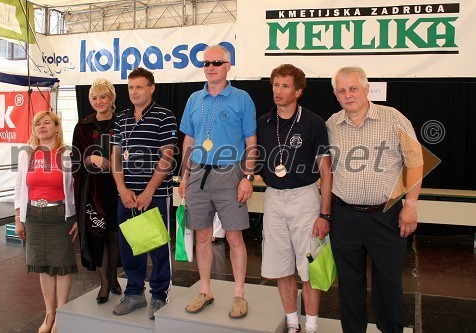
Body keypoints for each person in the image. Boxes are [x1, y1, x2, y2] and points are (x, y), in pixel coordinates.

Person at [326, 66, 423, 333]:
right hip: (344, 217)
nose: (348, 95)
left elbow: (415, 161)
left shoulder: (393, 118)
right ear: (336, 95)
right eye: (342, 91)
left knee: (389, 284)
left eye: (353, 88)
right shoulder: (331, 125)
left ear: (367, 89)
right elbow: (325, 171)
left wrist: (411, 205)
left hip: (386, 216)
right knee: (349, 285)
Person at [178, 44, 257, 318]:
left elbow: (251, 140)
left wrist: (247, 177)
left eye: (216, 62)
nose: (211, 67)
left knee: (234, 236)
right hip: (198, 172)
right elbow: (189, 139)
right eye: (206, 63)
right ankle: (205, 289)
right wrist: (184, 174)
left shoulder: (242, 98)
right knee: (202, 235)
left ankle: (238, 294)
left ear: (228, 65)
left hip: (230, 173)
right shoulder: (193, 99)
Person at [257, 64, 332, 333]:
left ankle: (311, 327)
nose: (278, 91)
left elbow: (326, 171)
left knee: (309, 267)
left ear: (298, 91)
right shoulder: (263, 123)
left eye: (285, 85)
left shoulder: (313, 123)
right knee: (281, 266)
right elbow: (254, 162)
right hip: (274, 198)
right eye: (275, 85)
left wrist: (325, 214)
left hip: (305, 198)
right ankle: (292, 324)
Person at [110, 67, 177, 319]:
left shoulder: (164, 116)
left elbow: (167, 156)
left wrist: (149, 191)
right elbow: (115, 156)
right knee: (129, 246)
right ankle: (135, 293)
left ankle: (159, 295)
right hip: (126, 195)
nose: (134, 92)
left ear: (151, 88)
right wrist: (122, 189)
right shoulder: (122, 118)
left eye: (139, 86)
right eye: (130, 87)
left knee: (158, 246)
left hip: (155, 194)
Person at [14, 111, 78, 333]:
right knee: (43, 266)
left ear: (57, 127)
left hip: (60, 215)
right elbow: (20, 187)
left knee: (61, 265)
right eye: (37, 123)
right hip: (34, 216)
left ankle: (61, 313)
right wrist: (18, 218)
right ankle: (49, 313)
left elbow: (74, 189)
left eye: (47, 123)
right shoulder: (26, 154)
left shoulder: (67, 154)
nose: (42, 127)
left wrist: (76, 217)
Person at [72, 78, 121, 305]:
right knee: (98, 234)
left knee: (115, 235)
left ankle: (113, 277)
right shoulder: (82, 126)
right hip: (93, 189)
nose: (99, 101)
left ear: (111, 98)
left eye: (103, 96)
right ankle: (104, 283)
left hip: (118, 188)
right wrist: (90, 157)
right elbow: (74, 159)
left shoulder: (123, 122)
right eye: (94, 97)